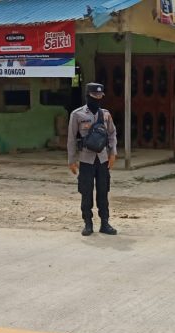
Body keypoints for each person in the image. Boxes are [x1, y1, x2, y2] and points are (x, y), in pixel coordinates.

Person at [67, 82, 118, 236]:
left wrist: (113, 153)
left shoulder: (106, 114)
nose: (97, 98)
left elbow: (112, 134)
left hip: (102, 160)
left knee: (103, 191)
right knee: (86, 192)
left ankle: (105, 223)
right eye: (94, 96)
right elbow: (71, 138)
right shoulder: (77, 114)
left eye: (100, 95)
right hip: (85, 160)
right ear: (88, 96)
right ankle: (88, 223)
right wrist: (71, 160)